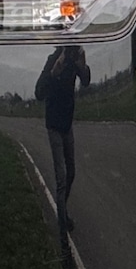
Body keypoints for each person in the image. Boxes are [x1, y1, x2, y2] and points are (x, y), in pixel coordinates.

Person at [34, 45, 90, 234]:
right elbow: (39, 93)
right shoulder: (53, 59)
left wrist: (83, 66)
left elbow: (86, 82)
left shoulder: (75, 60)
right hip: (54, 125)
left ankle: (61, 209)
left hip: (67, 124)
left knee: (71, 172)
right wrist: (53, 72)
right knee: (61, 177)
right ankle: (61, 224)